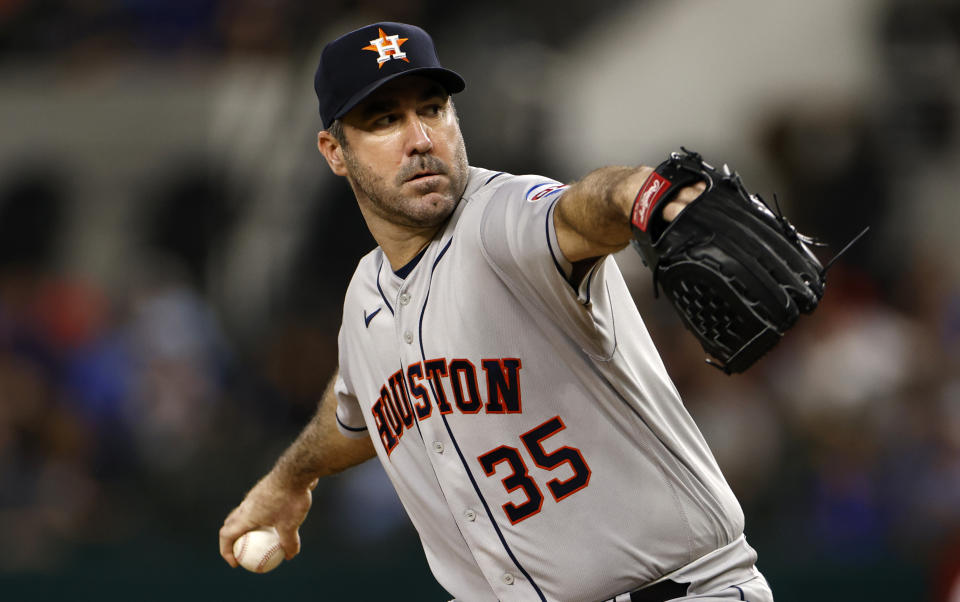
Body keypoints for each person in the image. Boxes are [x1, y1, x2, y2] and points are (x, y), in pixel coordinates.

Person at [219, 21, 774, 602]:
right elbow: (361, 404)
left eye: (432, 110)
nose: (420, 138)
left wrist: (647, 196)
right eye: (385, 120)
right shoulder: (365, 295)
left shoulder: (502, 219)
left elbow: (583, 206)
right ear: (335, 152)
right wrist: (290, 478)